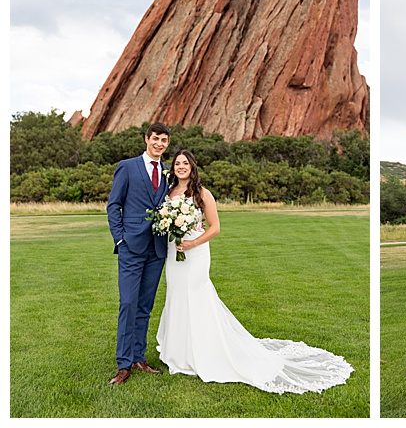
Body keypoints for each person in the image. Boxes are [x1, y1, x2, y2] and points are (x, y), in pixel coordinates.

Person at [154, 150, 353, 393]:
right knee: (176, 295)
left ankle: (204, 352)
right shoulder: (167, 192)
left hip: (195, 253)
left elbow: (215, 228)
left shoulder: (202, 194)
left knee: (197, 296)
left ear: (192, 167)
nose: (181, 167)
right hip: (174, 254)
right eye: (177, 163)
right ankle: (178, 352)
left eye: (185, 163)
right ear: (172, 167)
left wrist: (192, 243)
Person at [107, 122, 171, 386]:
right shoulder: (128, 166)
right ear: (147, 139)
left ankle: (138, 357)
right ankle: (123, 365)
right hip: (131, 247)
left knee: (145, 306)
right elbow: (114, 205)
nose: (159, 144)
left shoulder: (168, 173)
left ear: (167, 144)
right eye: (155, 138)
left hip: (157, 248)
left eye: (164, 140)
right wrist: (121, 239)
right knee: (128, 304)